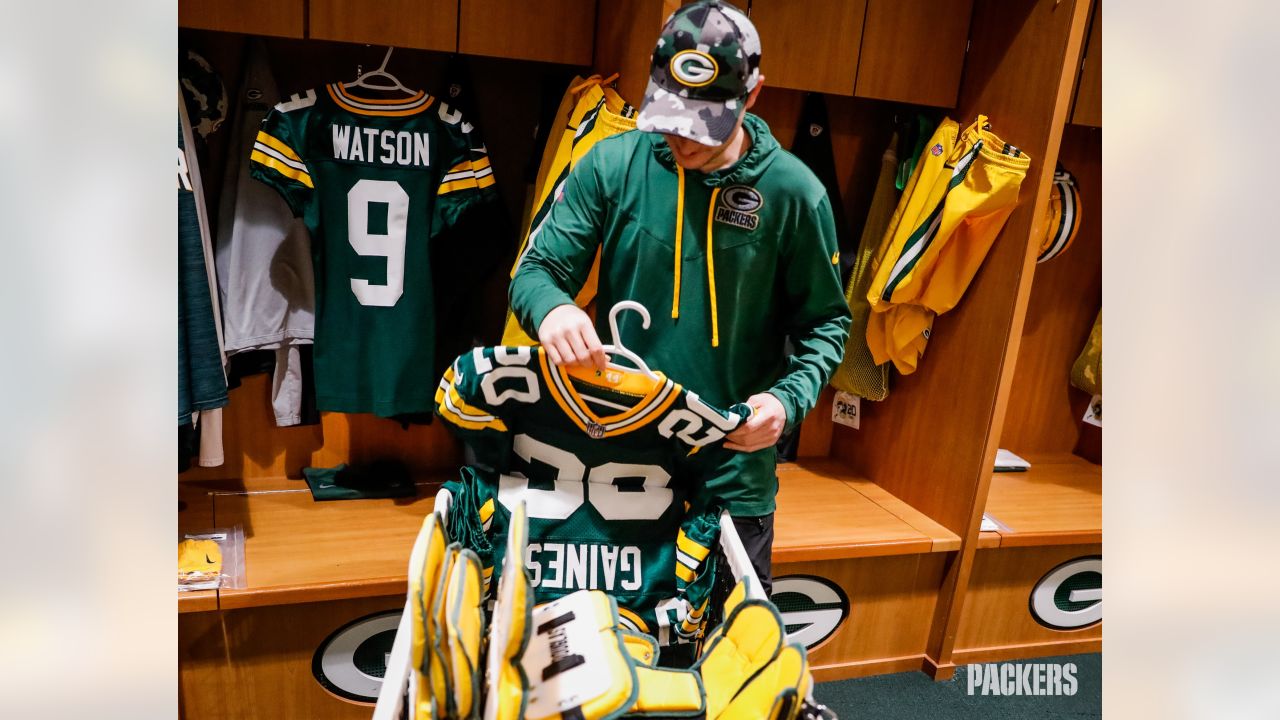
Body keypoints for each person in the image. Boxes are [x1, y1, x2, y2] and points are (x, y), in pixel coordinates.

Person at [508, 0, 850, 595]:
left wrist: (786, 403)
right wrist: (554, 307)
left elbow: (827, 324)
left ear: (755, 93)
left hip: (733, 474)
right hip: (620, 464)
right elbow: (534, 271)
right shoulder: (611, 165)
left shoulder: (796, 194)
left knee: (727, 659)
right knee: (618, 648)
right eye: (671, 115)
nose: (682, 140)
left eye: (704, 123)